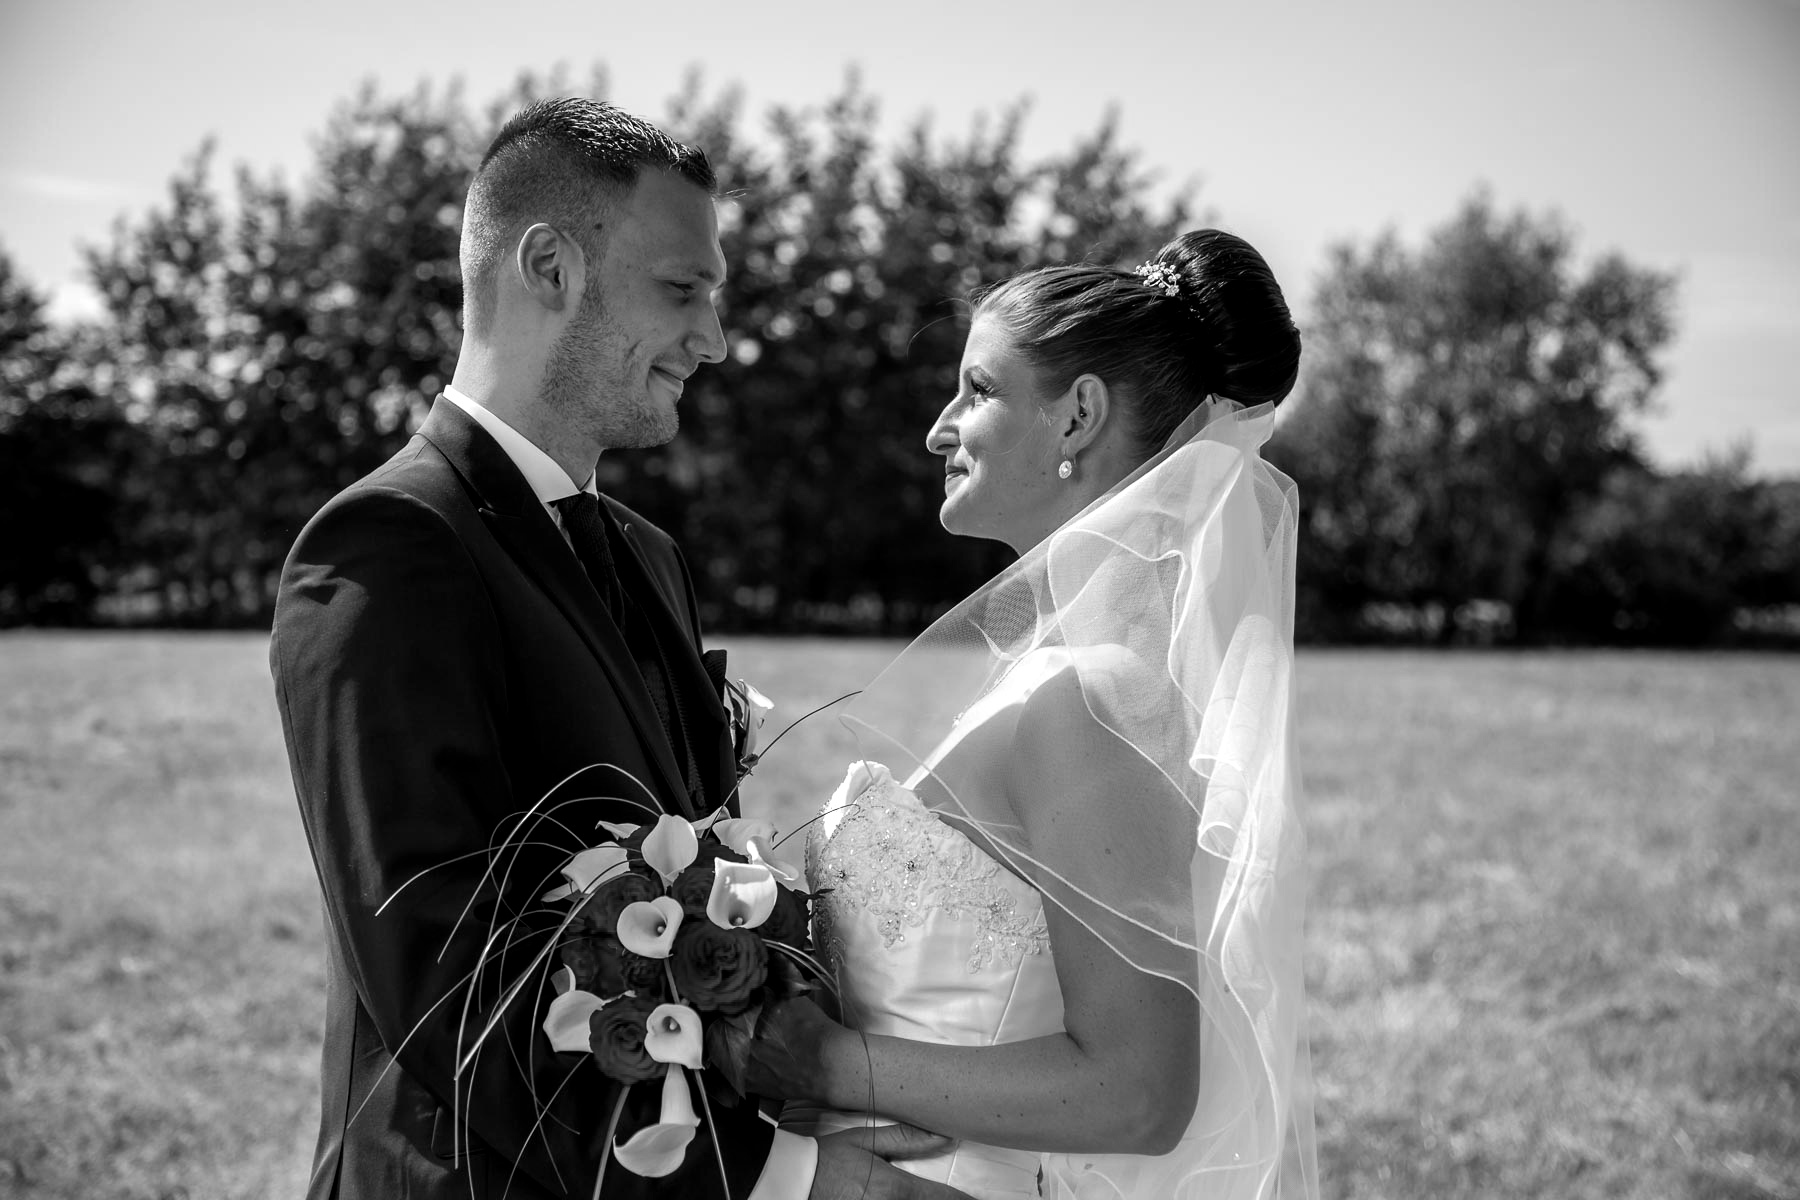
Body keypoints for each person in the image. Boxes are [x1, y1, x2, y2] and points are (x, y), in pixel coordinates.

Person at [271, 98, 962, 1200]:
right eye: (683, 290)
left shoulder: (647, 553)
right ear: (549, 267)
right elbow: (448, 981)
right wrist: (782, 1178)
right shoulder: (389, 548)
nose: (715, 340)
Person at [746, 230, 1321, 1200]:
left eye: (978, 389)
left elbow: (1139, 1093)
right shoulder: (1060, 674)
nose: (939, 429)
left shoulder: (1087, 700)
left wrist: (826, 1064)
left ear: (1078, 417)